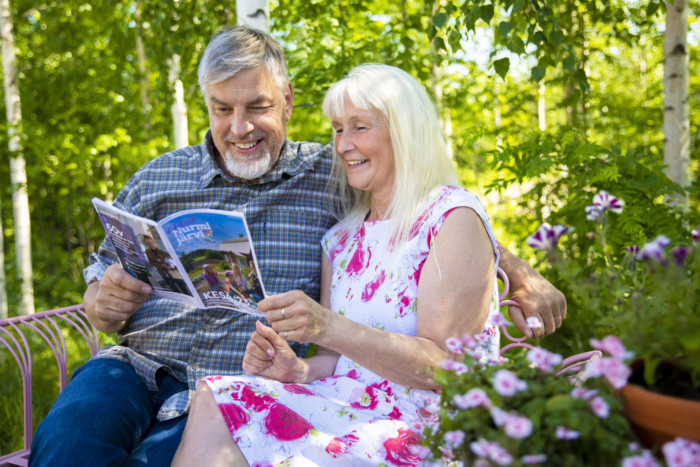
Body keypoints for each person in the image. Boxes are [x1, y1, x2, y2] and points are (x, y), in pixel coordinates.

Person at [29, 26, 565, 466]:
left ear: (286, 100)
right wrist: (101, 296)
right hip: (134, 364)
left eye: (256, 106)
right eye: (221, 109)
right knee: (66, 448)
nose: (239, 128)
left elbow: (422, 206)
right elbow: (102, 273)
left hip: (237, 378)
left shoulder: (332, 174)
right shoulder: (158, 179)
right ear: (207, 106)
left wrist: (516, 269)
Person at [172, 63, 501, 466]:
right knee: (219, 394)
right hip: (349, 408)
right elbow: (333, 360)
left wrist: (329, 325)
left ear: (405, 131)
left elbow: (446, 368)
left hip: (427, 423)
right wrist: (295, 370)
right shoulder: (341, 240)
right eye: (338, 129)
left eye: (360, 127)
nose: (343, 144)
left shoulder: (451, 218)